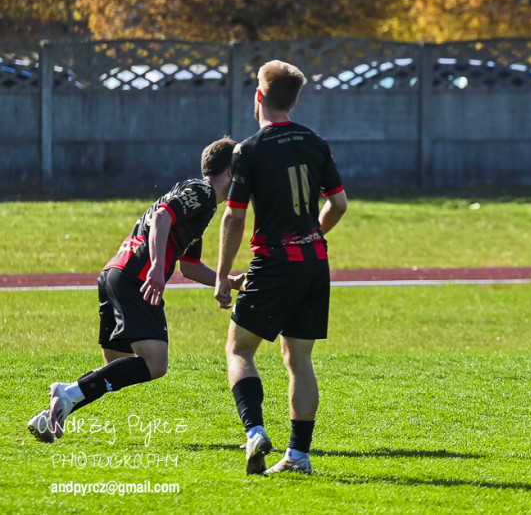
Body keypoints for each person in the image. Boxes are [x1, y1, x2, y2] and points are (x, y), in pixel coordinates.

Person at [28, 137, 243, 443]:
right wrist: (156, 267)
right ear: (232, 171)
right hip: (136, 277)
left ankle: (49, 416)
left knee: (118, 365)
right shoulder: (203, 192)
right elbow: (161, 217)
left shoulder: (198, 206)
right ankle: (65, 393)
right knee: (155, 363)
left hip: (115, 274)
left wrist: (228, 280)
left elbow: (190, 267)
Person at [215, 59, 347, 476]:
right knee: (299, 358)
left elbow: (234, 216)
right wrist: (313, 234)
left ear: (259, 96)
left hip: (274, 263)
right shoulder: (315, 141)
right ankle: (298, 455)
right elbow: (339, 204)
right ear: (293, 100)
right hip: (315, 263)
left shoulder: (248, 150)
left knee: (239, 349)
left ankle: (254, 431)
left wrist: (221, 275)